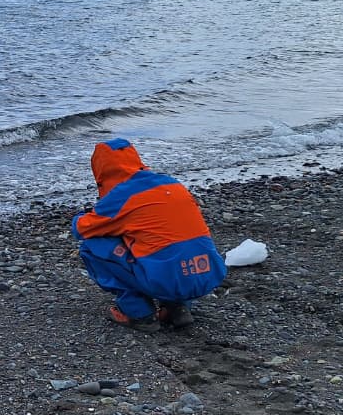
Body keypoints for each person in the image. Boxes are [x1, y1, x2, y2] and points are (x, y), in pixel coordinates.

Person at [71, 138, 226, 332]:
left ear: (101, 169)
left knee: (92, 246)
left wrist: (81, 216)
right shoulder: (172, 184)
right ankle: (178, 307)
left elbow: (82, 229)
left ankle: (139, 313)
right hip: (207, 273)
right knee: (166, 243)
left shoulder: (122, 195)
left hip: (168, 279)